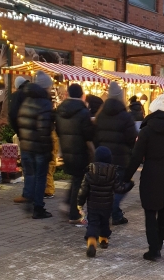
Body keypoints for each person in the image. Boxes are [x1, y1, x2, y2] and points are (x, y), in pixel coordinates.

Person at [122, 93, 164, 261]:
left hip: (152, 174)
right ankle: (159, 244)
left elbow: (136, 157)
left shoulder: (147, 131)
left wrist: (126, 176)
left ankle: (153, 249)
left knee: (150, 212)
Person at [77, 146, 134, 258]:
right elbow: (119, 189)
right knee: (104, 222)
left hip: (93, 205)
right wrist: (129, 185)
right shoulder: (113, 173)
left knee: (93, 223)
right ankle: (103, 240)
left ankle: (92, 243)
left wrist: (80, 203)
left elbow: (83, 190)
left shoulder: (89, 172)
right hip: (107, 205)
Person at [94, 81, 138, 225]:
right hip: (120, 158)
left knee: (107, 188)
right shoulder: (125, 116)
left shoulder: (100, 115)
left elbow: (95, 137)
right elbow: (132, 137)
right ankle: (112, 210)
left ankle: (116, 214)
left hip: (103, 159)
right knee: (121, 187)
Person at [14, 70, 54, 219]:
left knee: (30, 175)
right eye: (49, 86)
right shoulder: (44, 103)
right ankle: (38, 208)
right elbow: (44, 129)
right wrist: (47, 149)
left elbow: (20, 122)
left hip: (26, 146)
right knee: (40, 177)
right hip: (39, 148)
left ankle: (29, 201)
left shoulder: (26, 100)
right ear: (45, 87)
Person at [55, 84, 96, 224]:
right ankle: (74, 214)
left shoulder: (60, 110)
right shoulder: (83, 111)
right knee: (79, 181)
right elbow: (88, 134)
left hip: (67, 150)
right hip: (80, 151)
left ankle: (67, 204)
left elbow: (58, 130)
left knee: (75, 178)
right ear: (82, 95)